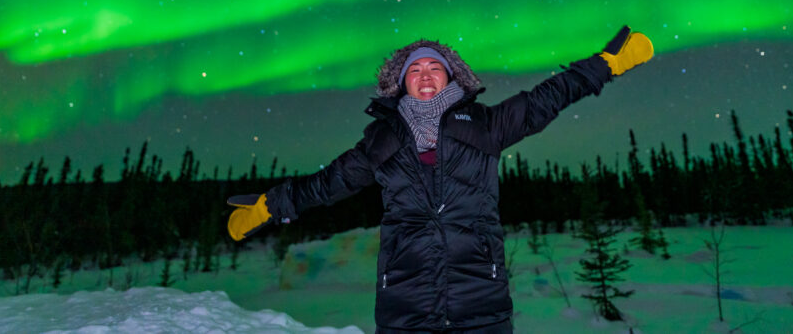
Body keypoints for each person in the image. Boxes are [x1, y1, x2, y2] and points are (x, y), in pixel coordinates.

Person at [227, 25, 654, 333]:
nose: (426, 75)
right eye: (415, 70)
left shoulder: (486, 124)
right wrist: (269, 205)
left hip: (481, 305)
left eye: (436, 67)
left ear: (451, 77)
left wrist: (605, 65)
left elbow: (548, 97)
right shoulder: (381, 140)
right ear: (400, 84)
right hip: (405, 308)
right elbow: (326, 184)